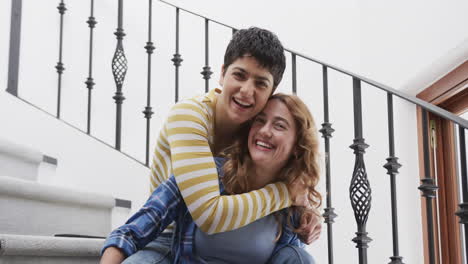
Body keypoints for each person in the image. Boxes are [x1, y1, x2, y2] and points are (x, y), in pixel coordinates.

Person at [103, 27, 321, 263]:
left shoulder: (255, 132)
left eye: (260, 83)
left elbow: (295, 151)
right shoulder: (190, 116)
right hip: (169, 232)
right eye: (239, 75)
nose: (247, 91)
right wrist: (286, 193)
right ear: (222, 74)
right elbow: (209, 215)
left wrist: (306, 210)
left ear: (271, 92)